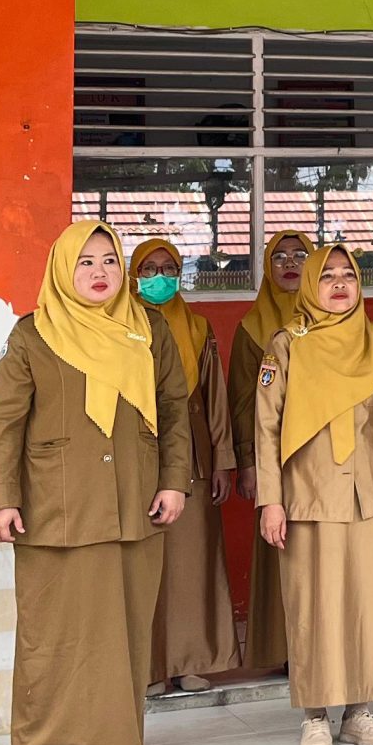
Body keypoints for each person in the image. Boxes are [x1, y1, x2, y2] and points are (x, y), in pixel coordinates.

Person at [0, 222, 190, 745]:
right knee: (50, 632)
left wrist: (174, 481)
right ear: (62, 269)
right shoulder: (32, 334)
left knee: (123, 630)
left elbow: (173, 408)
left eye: (108, 261)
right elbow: (5, 422)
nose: (99, 273)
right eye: (85, 263)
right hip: (56, 504)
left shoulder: (148, 328)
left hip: (134, 499)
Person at [255, 244, 373, 745]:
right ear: (310, 284)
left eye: (348, 275)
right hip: (307, 494)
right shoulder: (285, 346)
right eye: (326, 275)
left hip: (372, 493)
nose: (338, 284)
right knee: (315, 603)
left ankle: (360, 711)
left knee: (371, 603)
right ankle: (314, 714)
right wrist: (271, 500)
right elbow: (265, 428)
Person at [133, 240, 236, 694]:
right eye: (150, 268)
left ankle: (190, 658)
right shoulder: (122, 326)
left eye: (169, 268)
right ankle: (150, 665)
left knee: (193, 558)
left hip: (193, 455)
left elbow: (214, 397)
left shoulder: (197, 326)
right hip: (137, 453)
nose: (160, 276)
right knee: (144, 561)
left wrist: (223, 460)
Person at [232, 230, 312, 676]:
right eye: (279, 256)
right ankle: (282, 646)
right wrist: (247, 461)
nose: (289, 263)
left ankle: (319, 646)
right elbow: (243, 399)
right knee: (279, 543)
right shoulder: (251, 328)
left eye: (301, 255)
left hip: (322, 457)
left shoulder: (328, 321)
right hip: (273, 456)